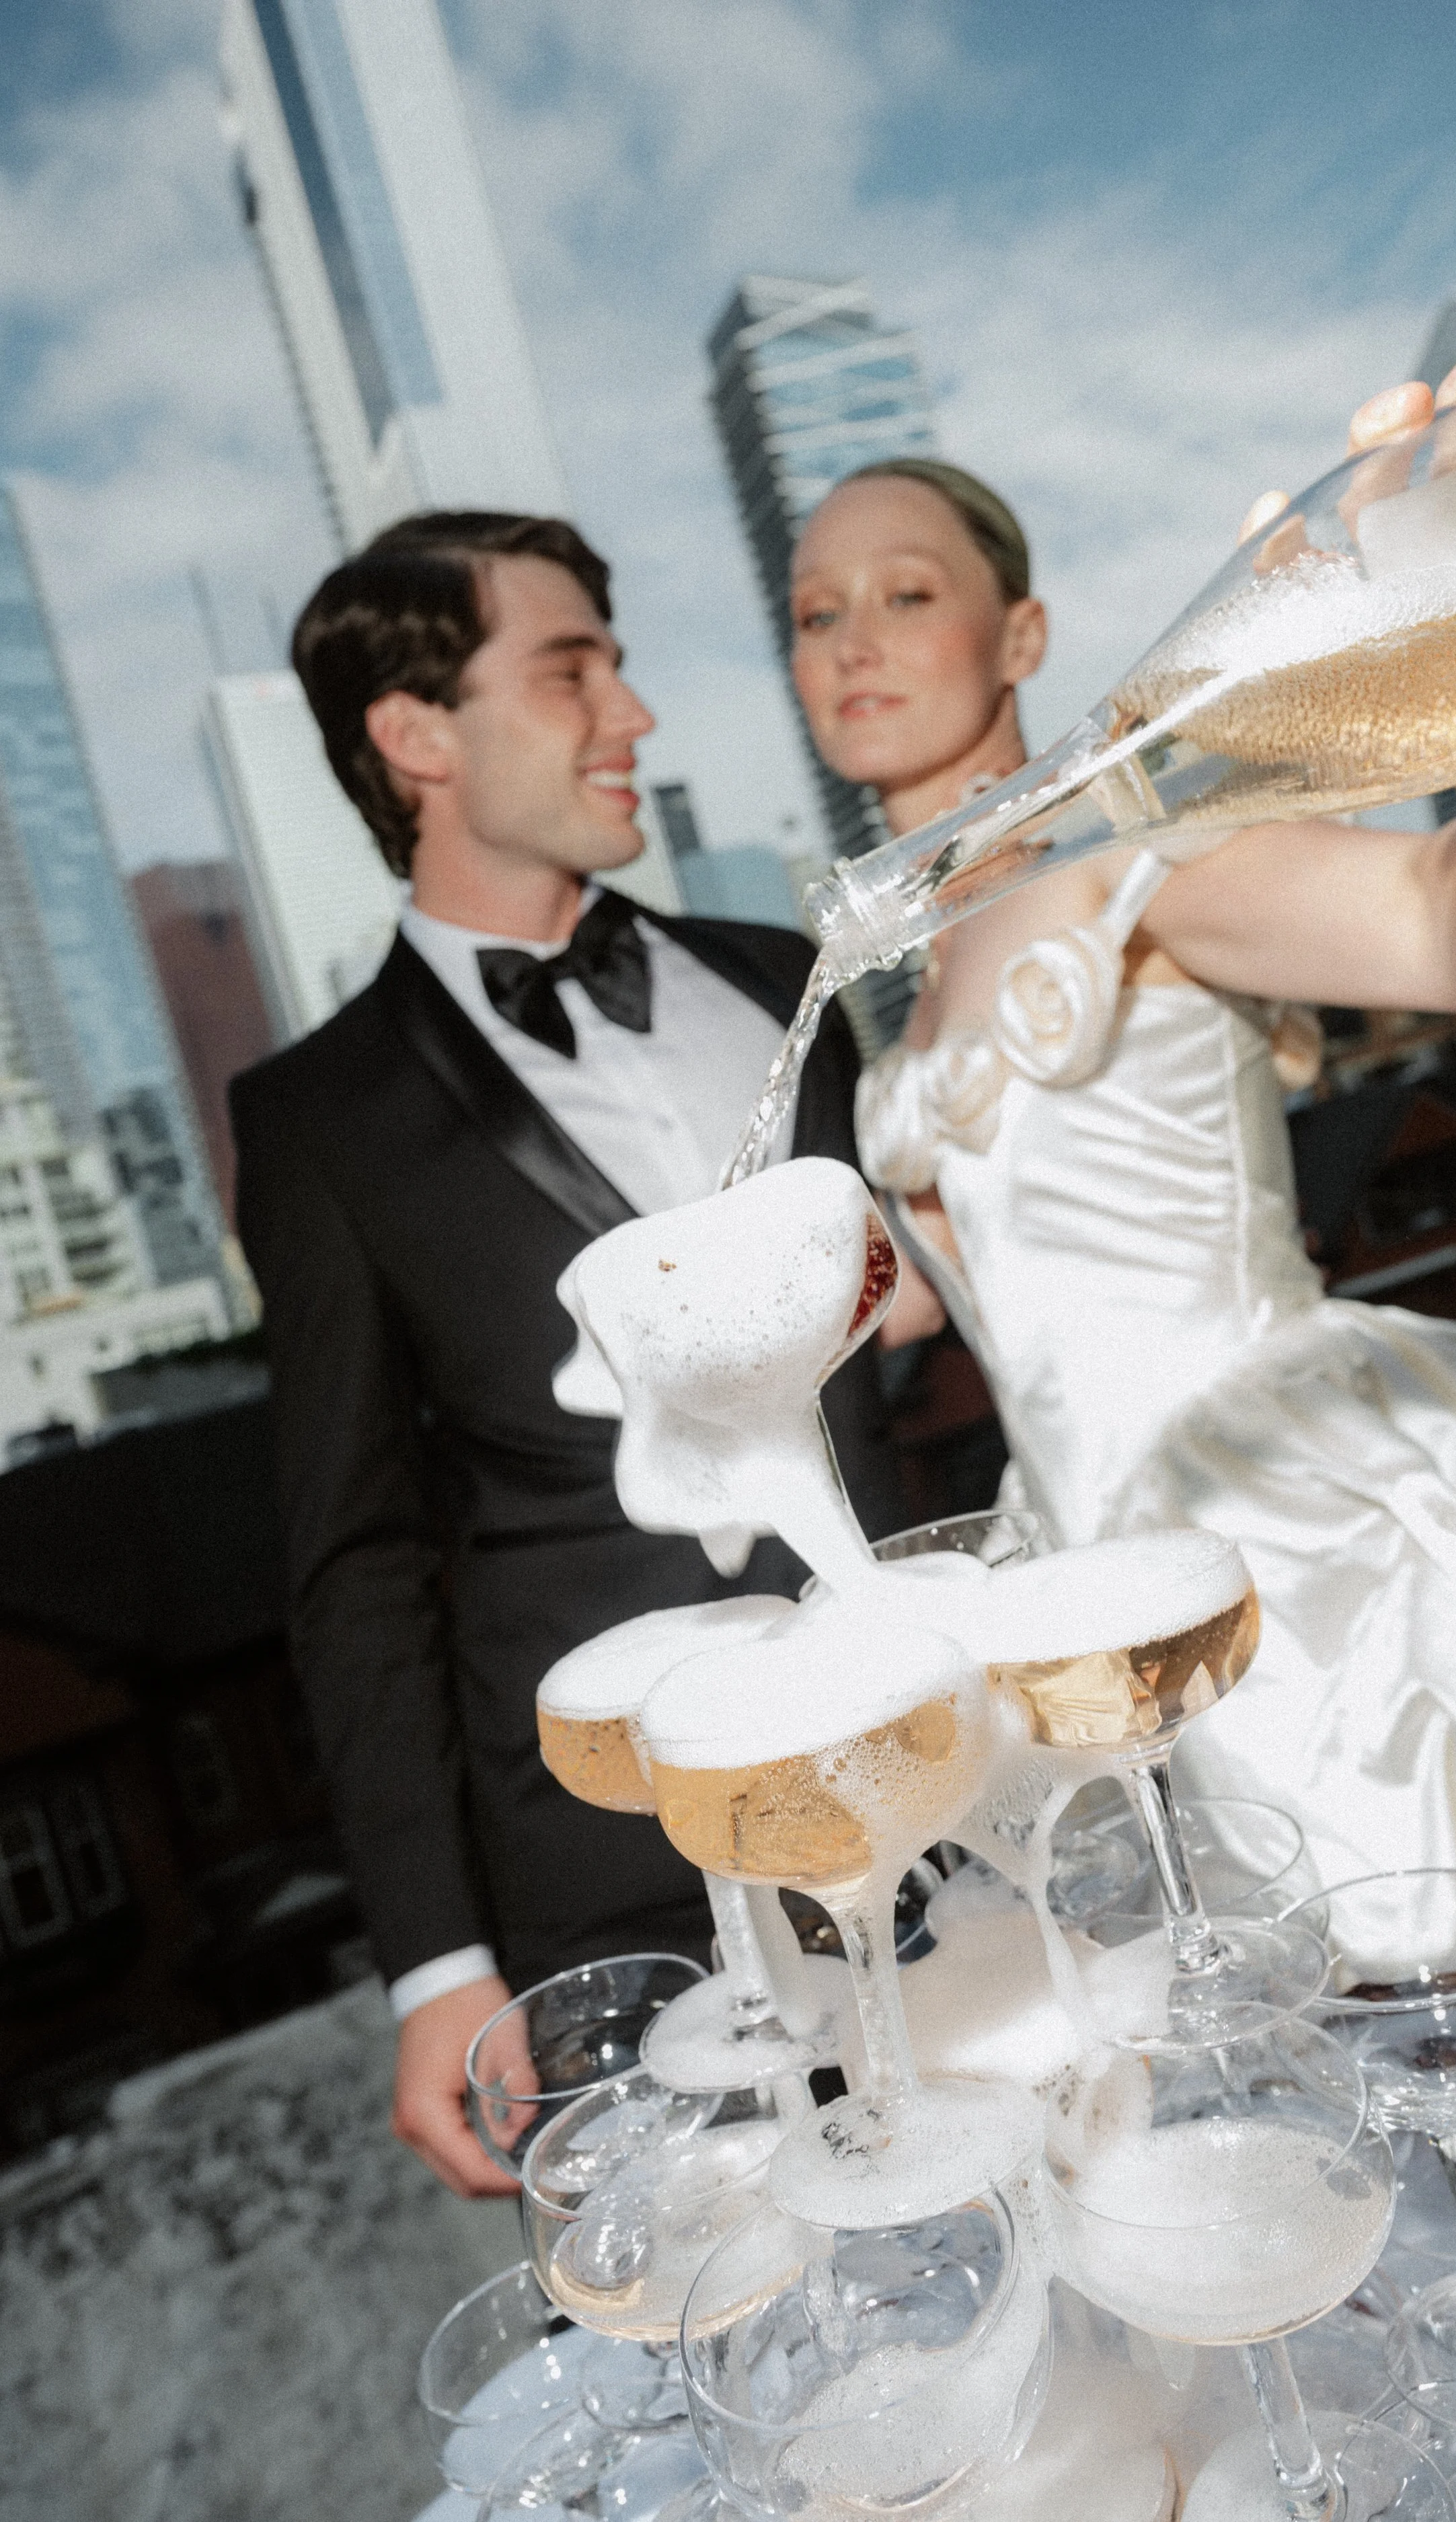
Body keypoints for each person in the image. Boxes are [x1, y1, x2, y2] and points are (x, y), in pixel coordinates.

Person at [790, 345, 1456, 2127]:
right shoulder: (909, 969)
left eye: (909, 593)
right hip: (1087, 1586)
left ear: (1021, 636)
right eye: (815, 615)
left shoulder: (1138, 853)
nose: (856, 643)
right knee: (1327, 2120)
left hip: (1295, 1522)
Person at [231, 510, 904, 2196]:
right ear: (415, 737)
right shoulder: (317, 1123)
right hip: (613, 1869)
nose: (633, 715)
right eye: (570, 669)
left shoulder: (784, 982)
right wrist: (433, 1960)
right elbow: (356, 1560)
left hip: (923, 1775)